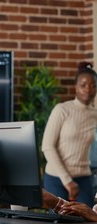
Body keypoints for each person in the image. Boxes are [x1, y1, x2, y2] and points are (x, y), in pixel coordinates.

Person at [42, 61, 97, 207]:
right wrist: (67, 180)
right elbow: (47, 146)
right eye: (83, 85)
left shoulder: (95, 115)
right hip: (56, 178)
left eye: (93, 86)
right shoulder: (62, 110)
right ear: (76, 87)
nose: (88, 89)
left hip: (84, 178)